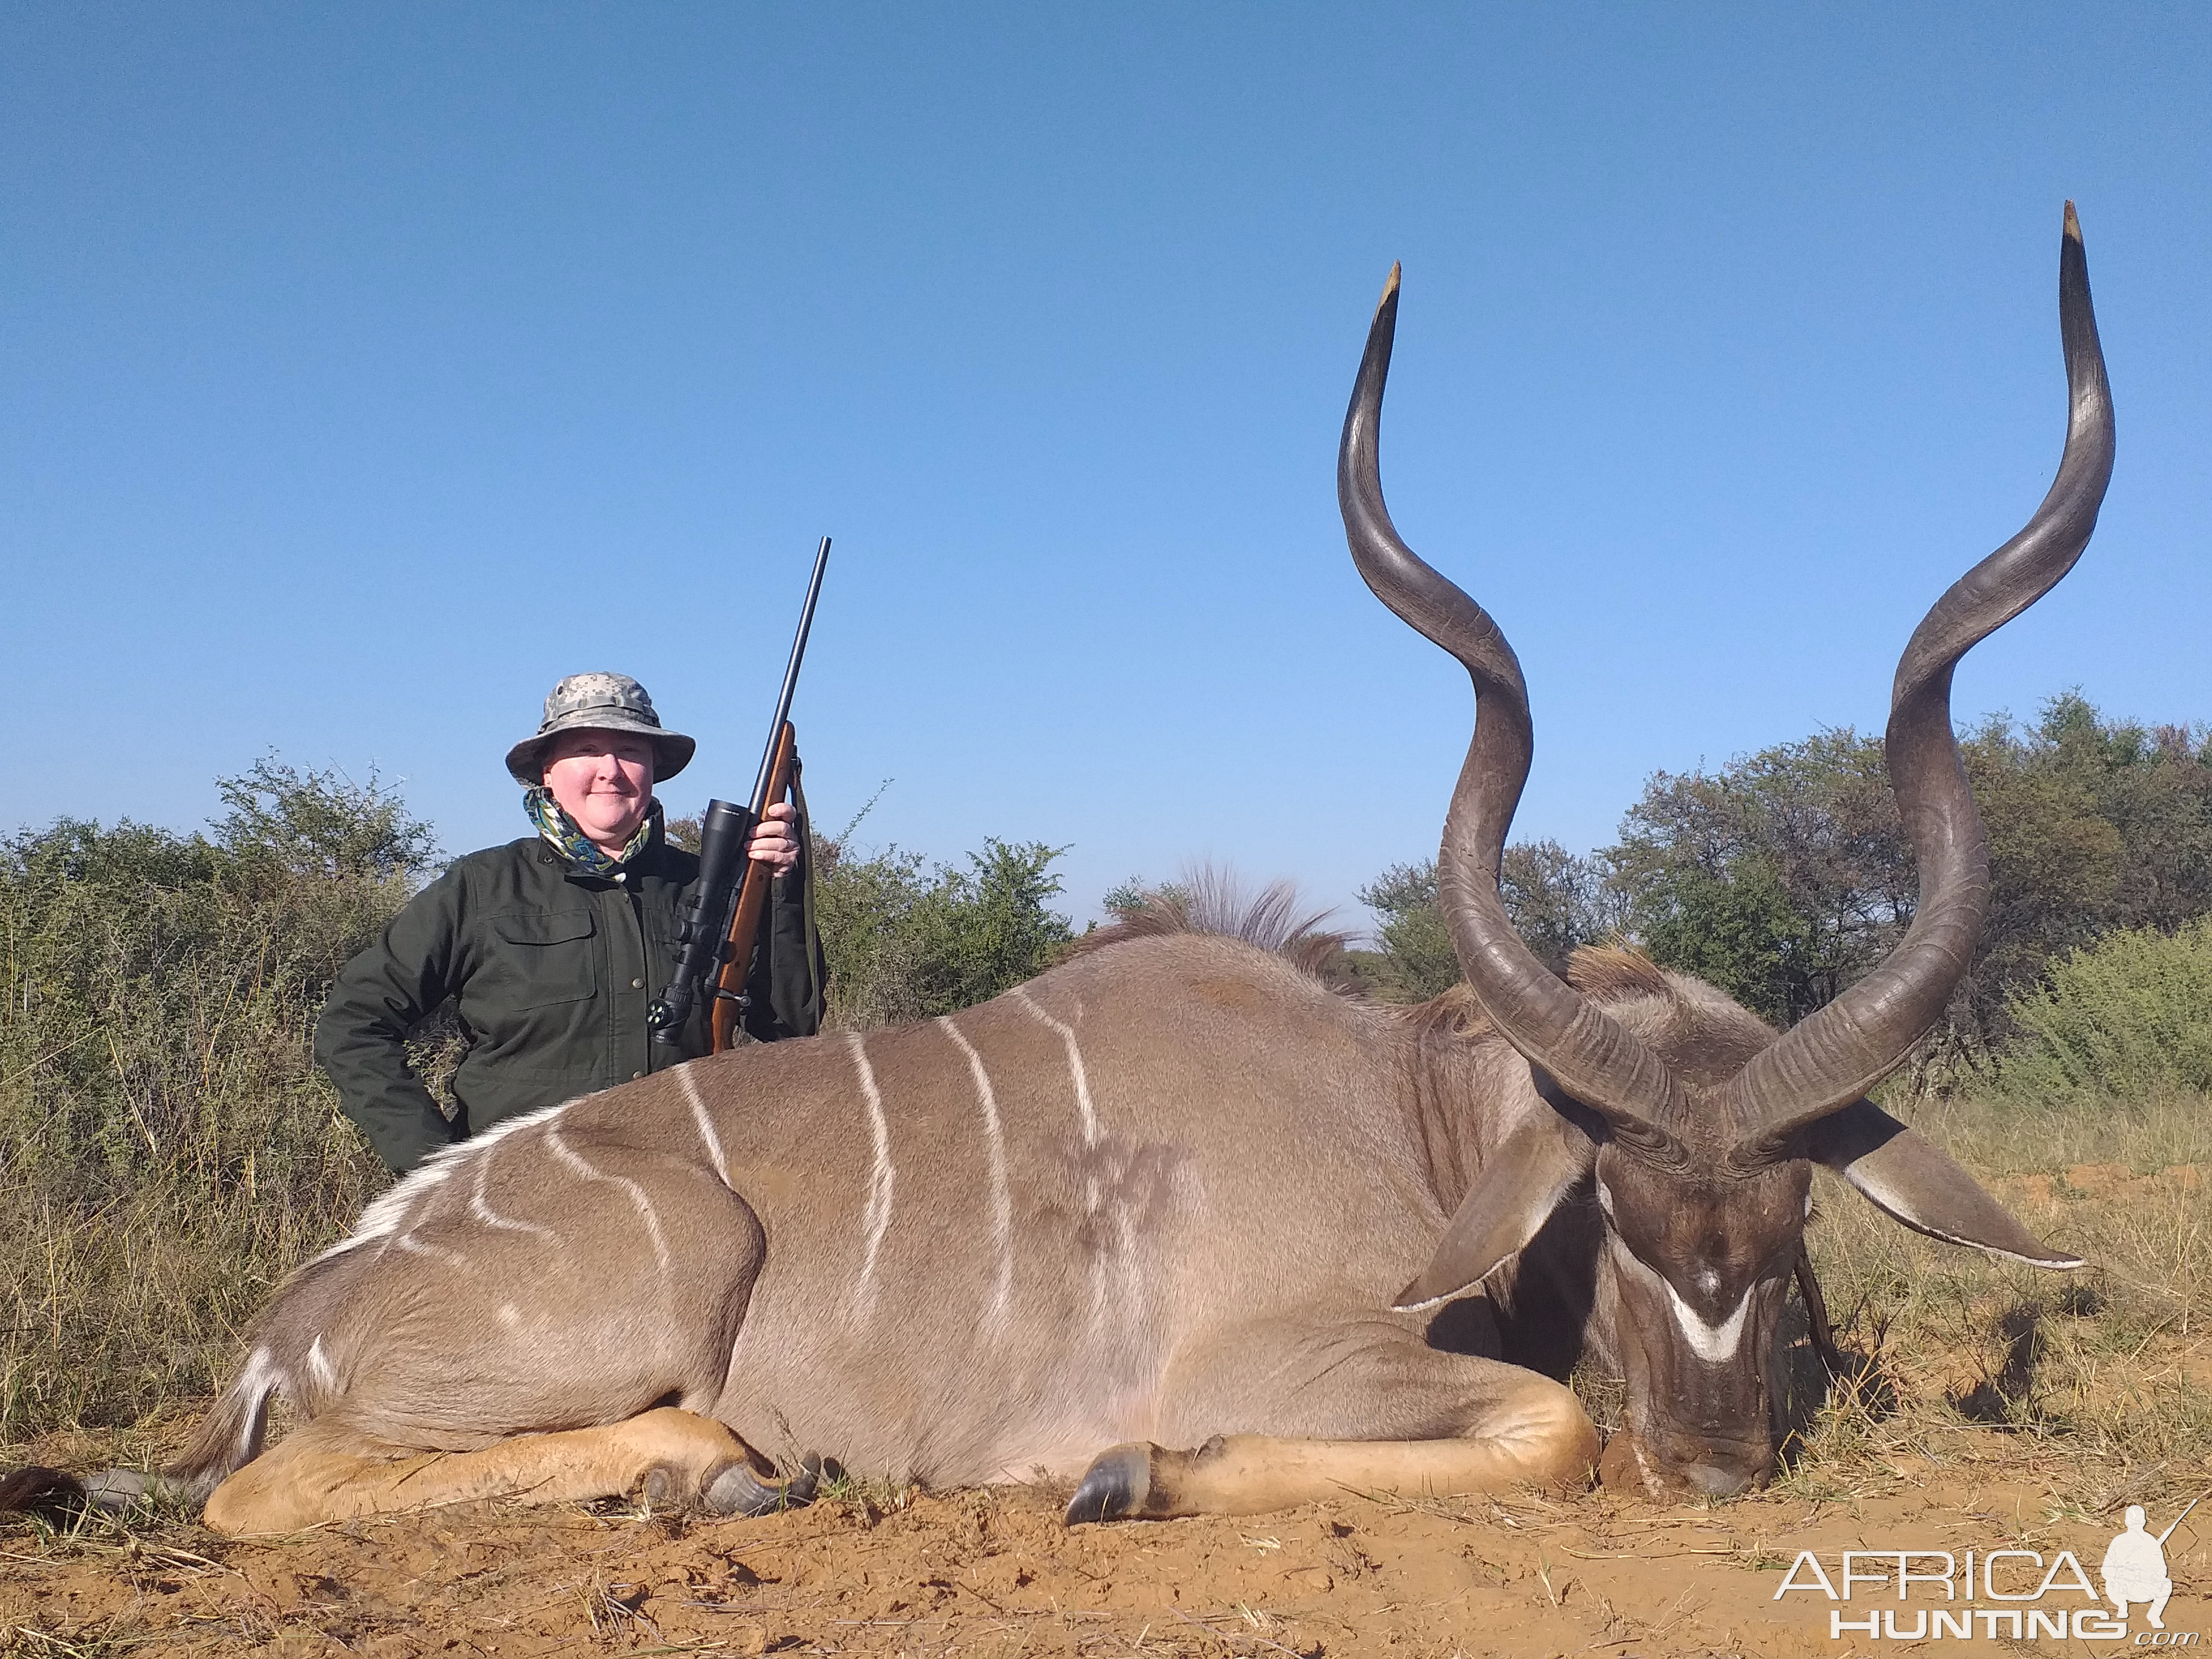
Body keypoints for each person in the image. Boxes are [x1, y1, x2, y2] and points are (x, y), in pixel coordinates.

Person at [316, 672, 825, 1176]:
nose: (611, 770)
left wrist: (779, 890)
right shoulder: (482, 885)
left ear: (653, 770)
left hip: (685, 1198)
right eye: (585, 750)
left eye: (632, 751)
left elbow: (790, 1023)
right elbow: (353, 1025)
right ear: (547, 771)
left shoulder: (707, 885)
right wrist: (435, 1169)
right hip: (519, 1205)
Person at [2101, 1505, 2175, 1629]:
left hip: (2143, 1589)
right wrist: (2123, 1573)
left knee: (2166, 1583)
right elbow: (2106, 1571)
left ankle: (2153, 1615)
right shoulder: (2121, 1541)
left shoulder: (2149, 1542)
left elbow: (2162, 1571)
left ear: (2126, 1522)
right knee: (2111, 1582)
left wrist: (2145, 1572)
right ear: (2144, 1522)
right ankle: (2122, 1606)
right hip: (2123, 1589)